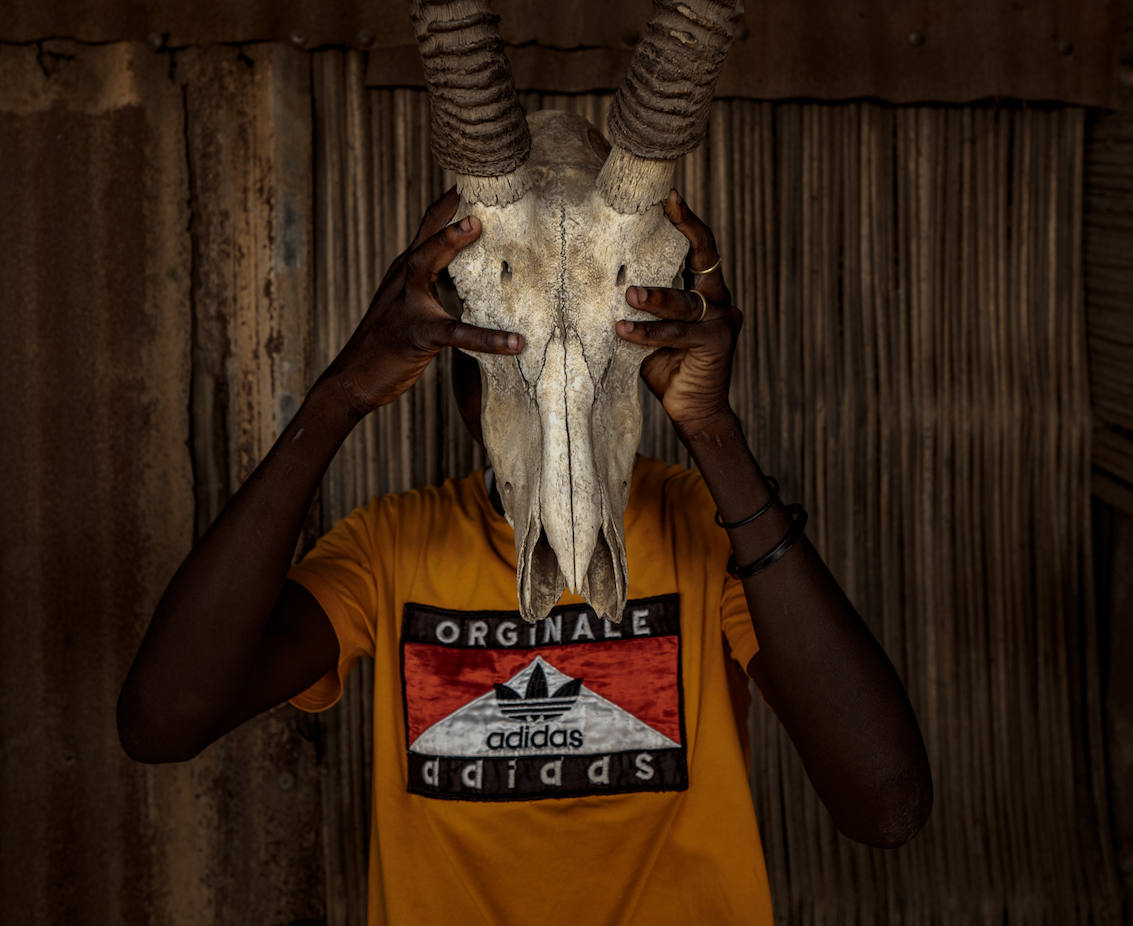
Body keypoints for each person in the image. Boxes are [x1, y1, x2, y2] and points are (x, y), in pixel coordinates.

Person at [118, 186, 932, 924]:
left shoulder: (701, 526)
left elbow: (884, 807)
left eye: (584, 356)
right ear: (460, 376)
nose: (555, 402)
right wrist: (339, 396)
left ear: (630, 358)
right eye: (513, 355)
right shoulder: (391, 549)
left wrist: (711, 432)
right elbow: (163, 722)